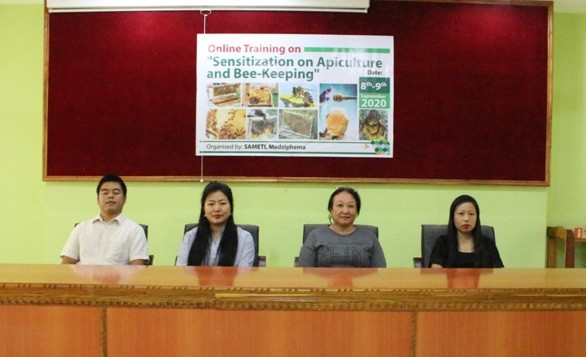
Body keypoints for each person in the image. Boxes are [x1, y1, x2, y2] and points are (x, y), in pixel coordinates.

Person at [60, 174, 150, 265]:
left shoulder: (135, 230)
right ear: (97, 199)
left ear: (124, 199)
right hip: (84, 279)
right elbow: (66, 265)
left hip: (119, 279)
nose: (110, 196)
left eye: (116, 192)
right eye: (105, 192)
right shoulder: (81, 228)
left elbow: (137, 269)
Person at [298, 186, 386, 267]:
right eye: (340, 205)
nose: (345, 211)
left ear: (357, 211)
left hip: (361, 284)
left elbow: (380, 272)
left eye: (351, 206)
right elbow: (304, 272)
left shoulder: (369, 237)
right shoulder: (315, 236)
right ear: (330, 209)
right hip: (323, 284)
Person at [176, 181, 255, 267]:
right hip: (195, 281)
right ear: (203, 209)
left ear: (231, 208)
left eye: (222, 203)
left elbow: (243, 276)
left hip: (232, 281)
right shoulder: (190, 237)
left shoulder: (245, 238)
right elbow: (181, 272)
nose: (217, 209)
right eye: (211, 204)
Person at [429, 195, 504, 268]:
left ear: (477, 217)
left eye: (471, 214)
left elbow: (499, 273)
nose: (466, 219)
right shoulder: (443, 242)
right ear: (453, 217)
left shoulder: (488, 243)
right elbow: (436, 273)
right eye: (461, 214)